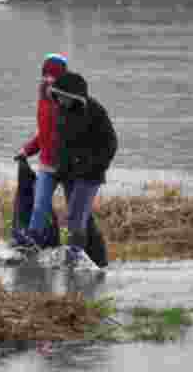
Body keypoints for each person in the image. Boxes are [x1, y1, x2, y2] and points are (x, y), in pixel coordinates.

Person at [49, 71, 117, 266]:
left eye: (62, 96)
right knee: (83, 218)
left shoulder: (95, 111)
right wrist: (59, 170)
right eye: (57, 96)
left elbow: (111, 144)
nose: (59, 100)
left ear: (73, 95)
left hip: (90, 175)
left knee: (75, 217)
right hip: (69, 175)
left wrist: (92, 165)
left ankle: (74, 260)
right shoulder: (62, 110)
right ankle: (98, 260)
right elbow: (62, 143)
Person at [12, 53, 69, 253]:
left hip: (70, 166)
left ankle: (78, 250)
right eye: (45, 74)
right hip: (47, 165)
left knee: (78, 214)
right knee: (39, 207)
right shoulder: (42, 100)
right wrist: (26, 150)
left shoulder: (70, 101)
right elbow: (43, 135)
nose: (48, 79)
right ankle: (33, 247)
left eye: (53, 75)